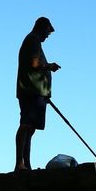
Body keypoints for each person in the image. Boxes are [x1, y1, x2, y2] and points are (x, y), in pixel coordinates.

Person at [15, 16, 60, 171]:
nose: (48, 35)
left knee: (31, 129)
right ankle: (20, 163)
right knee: (26, 125)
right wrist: (49, 66)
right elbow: (34, 64)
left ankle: (26, 164)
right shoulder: (32, 40)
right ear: (42, 28)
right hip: (31, 91)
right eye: (47, 31)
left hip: (37, 93)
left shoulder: (34, 42)